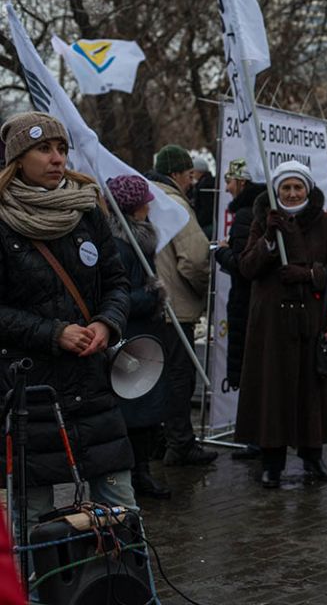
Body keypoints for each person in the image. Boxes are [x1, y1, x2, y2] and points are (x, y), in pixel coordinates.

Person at [0, 112, 136, 524]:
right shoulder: (3, 220)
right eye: (43, 149)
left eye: (61, 148)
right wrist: (53, 333)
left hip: (92, 387)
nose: (57, 158)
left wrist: (106, 323)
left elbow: (117, 282)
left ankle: (127, 571)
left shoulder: (87, 209)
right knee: (33, 521)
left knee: (121, 512)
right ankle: (43, 574)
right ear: (18, 159)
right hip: (29, 395)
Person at [236, 161, 327, 488]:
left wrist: (309, 274)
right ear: (276, 191)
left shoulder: (324, 223)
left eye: (297, 187)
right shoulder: (263, 220)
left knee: (310, 391)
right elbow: (246, 267)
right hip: (271, 324)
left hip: (310, 322)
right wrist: (269, 241)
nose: (291, 193)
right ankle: (272, 461)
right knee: (273, 390)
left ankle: (312, 455)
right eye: (285, 188)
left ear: (307, 189)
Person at [148, 144, 216, 466]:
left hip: (148, 306)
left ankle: (157, 441)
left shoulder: (143, 200)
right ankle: (181, 444)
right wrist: (204, 292)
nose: (192, 181)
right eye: (189, 174)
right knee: (179, 378)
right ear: (175, 174)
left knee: (155, 378)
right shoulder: (174, 204)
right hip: (174, 308)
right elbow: (195, 259)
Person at [105, 174, 171, 500]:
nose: (150, 206)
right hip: (130, 341)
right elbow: (118, 298)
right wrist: (153, 295)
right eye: (145, 202)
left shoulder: (135, 241)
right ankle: (134, 476)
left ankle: (140, 472)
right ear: (134, 207)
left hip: (142, 337)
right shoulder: (121, 247)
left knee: (143, 411)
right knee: (133, 411)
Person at [213, 159, 267, 461]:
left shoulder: (246, 215)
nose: (227, 187)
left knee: (252, 373)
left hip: (247, 305)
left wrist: (221, 252)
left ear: (242, 183)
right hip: (253, 304)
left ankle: (257, 440)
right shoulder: (257, 211)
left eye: (230, 181)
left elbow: (244, 265)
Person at [189, 155, 216, 239]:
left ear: (199, 171)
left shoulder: (204, 186)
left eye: (193, 172)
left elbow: (206, 210)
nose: (192, 175)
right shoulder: (207, 183)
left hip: (206, 225)